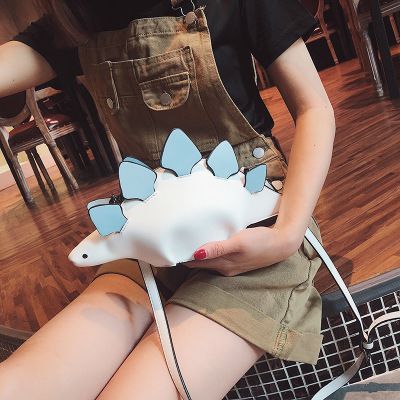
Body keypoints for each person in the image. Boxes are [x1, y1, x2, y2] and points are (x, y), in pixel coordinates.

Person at [0, 1, 336, 399]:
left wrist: (285, 236)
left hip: (255, 225)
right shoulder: (78, 19)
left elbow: (314, 107)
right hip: (149, 242)